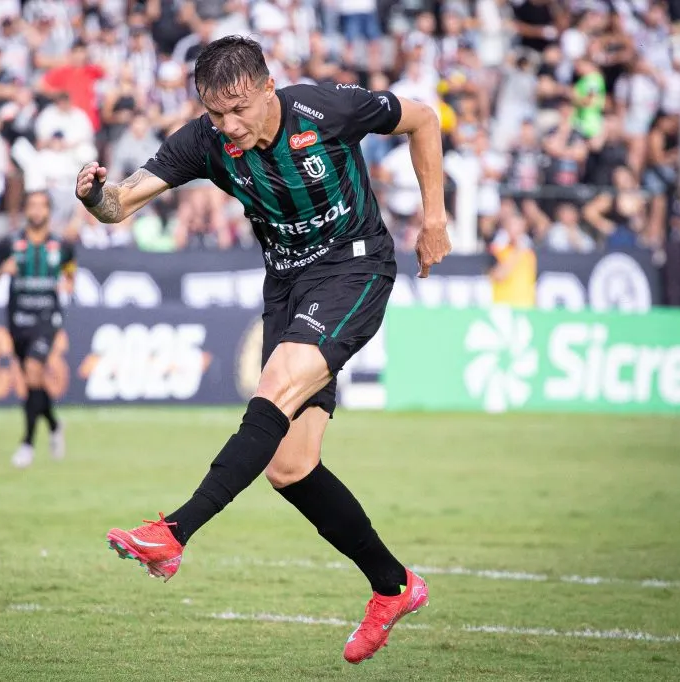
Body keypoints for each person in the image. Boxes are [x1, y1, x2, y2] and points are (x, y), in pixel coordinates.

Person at [74, 36, 451, 664]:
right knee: (290, 467)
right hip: (287, 286)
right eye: (216, 114)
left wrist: (434, 218)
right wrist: (92, 195)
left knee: (272, 387)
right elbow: (118, 207)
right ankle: (395, 588)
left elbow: (424, 118)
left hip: (355, 268)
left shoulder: (326, 109)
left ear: (267, 88)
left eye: (239, 110)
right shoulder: (204, 140)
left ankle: (173, 532)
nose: (228, 126)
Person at [0, 191, 75, 469]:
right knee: (30, 381)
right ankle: (53, 423)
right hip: (18, 317)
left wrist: (68, 284)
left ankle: (27, 443)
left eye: (41, 206)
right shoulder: (9, 243)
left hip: (47, 317)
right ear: (25, 210)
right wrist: (2, 270)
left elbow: (71, 275)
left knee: (34, 371)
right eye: (32, 205)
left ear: (49, 211)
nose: (36, 211)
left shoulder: (62, 244)